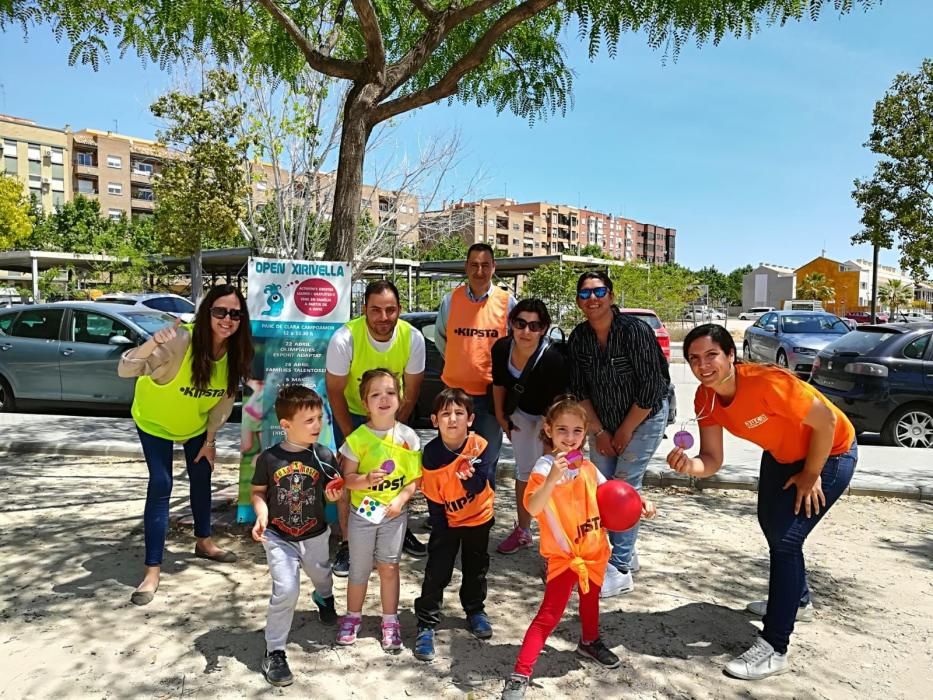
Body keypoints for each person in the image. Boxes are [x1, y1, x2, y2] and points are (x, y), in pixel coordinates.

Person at [667, 324, 857, 680]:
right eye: (694, 358)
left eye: (712, 355)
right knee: (771, 527)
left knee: (786, 542)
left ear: (731, 356)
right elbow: (711, 459)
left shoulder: (768, 381)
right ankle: (798, 602)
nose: (703, 365)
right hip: (781, 456)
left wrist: (811, 474)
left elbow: (826, 421)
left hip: (831, 452)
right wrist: (688, 465)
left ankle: (774, 646)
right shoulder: (705, 398)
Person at [501, 396, 655, 699]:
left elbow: (611, 494)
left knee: (590, 600)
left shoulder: (587, 467)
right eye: (562, 430)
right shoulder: (545, 467)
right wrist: (551, 481)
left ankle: (589, 641)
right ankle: (521, 672)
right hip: (565, 557)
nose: (569, 438)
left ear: (584, 433)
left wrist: (640, 504)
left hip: (594, 552)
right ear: (548, 429)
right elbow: (532, 507)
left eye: (576, 431)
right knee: (549, 615)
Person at [118, 284, 253, 606]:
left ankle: (204, 542)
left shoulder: (236, 353)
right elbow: (126, 369)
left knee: (202, 476)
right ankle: (152, 571)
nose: (227, 319)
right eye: (220, 311)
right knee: (161, 483)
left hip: (194, 426)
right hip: (154, 422)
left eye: (235, 313)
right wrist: (152, 342)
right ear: (207, 312)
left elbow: (223, 403)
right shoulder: (182, 340)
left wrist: (210, 441)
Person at [568, 271, 670, 598]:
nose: (592, 299)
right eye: (585, 294)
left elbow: (653, 387)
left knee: (624, 486)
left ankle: (621, 568)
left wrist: (625, 430)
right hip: (602, 422)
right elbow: (579, 390)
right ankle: (626, 550)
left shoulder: (634, 332)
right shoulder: (579, 338)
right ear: (578, 302)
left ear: (611, 296)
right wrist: (598, 431)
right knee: (602, 487)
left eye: (598, 292)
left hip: (645, 416)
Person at [326, 280, 427, 576]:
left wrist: (394, 432)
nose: (384, 317)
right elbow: (334, 392)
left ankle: (397, 528)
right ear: (364, 310)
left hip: (391, 414)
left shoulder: (413, 338)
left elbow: (411, 392)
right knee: (349, 477)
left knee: (396, 474)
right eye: (376, 310)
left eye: (391, 310)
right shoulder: (345, 338)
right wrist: (353, 441)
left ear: (400, 310)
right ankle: (347, 543)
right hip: (353, 413)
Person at [250, 385, 344, 687]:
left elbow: (332, 493)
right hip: (279, 536)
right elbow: (257, 492)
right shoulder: (268, 458)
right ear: (286, 425)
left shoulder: (325, 455)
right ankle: (274, 650)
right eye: (309, 420)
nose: (317, 425)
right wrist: (262, 514)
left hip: (315, 535)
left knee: (322, 576)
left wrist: (336, 494)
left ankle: (324, 597)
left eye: (319, 418)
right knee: (286, 589)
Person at [336, 369, 422, 653]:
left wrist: (401, 501)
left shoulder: (409, 437)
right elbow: (346, 479)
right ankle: (352, 616)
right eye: (375, 394)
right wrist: (364, 480)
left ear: (400, 397)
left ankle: (390, 620)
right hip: (363, 515)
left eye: (390, 392)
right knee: (359, 569)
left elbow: (414, 479)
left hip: (394, 516)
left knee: (389, 567)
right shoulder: (357, 439)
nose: (383, 399)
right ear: (365, 403)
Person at [413, 388, 497, 661]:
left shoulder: (480, 446)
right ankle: (426, 623)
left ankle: (475, 610)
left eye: (459, 413)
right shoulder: (432, 454)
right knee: (437, 571)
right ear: (435, 420)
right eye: (445, 414)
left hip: (478, 518)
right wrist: (440, 527)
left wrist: (467, 477)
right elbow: (433, 495)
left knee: (475, 568)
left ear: (470, 419)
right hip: (447, 521)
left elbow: (479, 484)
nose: (452, 419)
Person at [436, 243, 517, 488]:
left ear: (494, 267)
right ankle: (449, 514)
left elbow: (516, 345)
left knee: (486, 459)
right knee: (450, 457)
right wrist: (460, 361)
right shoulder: (451, 300)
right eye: (474, 265)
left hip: (491, 397)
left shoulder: (507, 303)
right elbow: (442, 339)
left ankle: (481, 516)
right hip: (454, 396)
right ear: (466, 268)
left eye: (485, 265)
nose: (479, 271)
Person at [491, 298, 568, 554]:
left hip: (551, 417)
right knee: (525, 473)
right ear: (511, 323)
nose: (526, 331)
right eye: (521, 323)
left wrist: (551, 437)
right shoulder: (502, 349)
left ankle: (553, 537)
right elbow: (499, 383)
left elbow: (559, 402)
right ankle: (523, 530)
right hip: (521, 413)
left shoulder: (554, 358)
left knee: (551, 477)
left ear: (544, 328)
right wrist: (502, 417)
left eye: (534, 326)